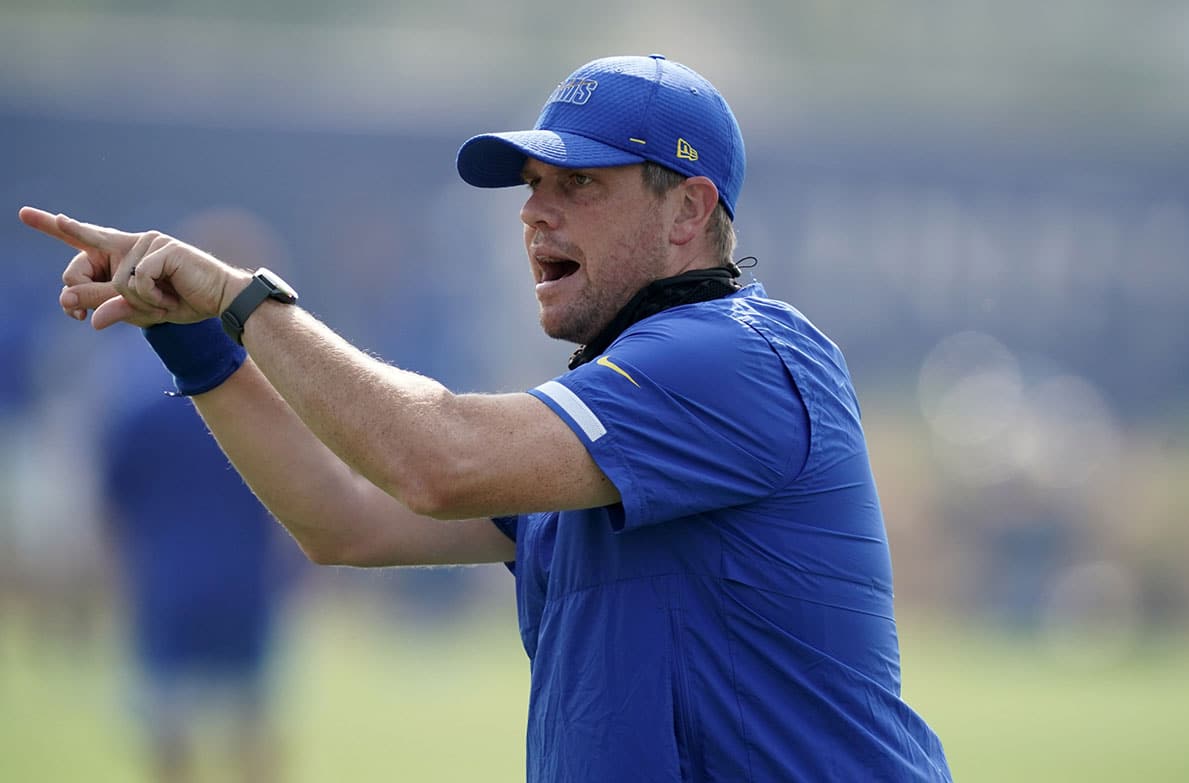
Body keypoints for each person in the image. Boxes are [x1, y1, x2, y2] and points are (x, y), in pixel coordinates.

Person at [21, 54, 953, 782]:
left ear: (688, 211)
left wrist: (241, 298)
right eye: (532, 186)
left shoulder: (736, 354)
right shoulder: (607, 417)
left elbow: (434, 457)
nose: (535, 213)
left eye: (579, 184)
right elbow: (341, 515)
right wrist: (199, 341)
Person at [101, 367, 290, 783]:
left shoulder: (138, 411)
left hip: (168, 589)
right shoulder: (255, 411)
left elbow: (114, 511)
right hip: (244, 587)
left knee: (169, 736)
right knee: (250, 731)